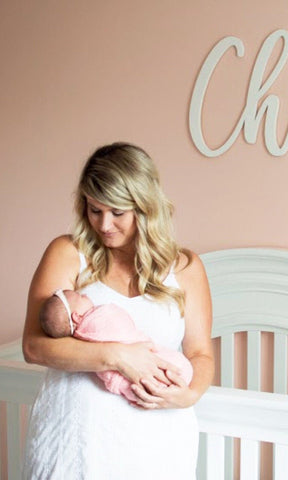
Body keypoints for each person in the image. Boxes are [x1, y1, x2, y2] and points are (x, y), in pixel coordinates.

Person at [22, 142, 214, 479]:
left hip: (157, 443)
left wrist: (188, 396)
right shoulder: (68, 253)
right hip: (76, 444)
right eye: (95, 210)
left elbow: (200, 353)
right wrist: (117, 357)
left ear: (145, 207)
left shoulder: (185, 268)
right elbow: (34, 346)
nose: (104, 224)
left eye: (117, 212)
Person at [39, 289, 193, 402]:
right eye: (80, 296)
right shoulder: (95, 322)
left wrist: (189, 398)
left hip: (161, 395)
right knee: (143, 377)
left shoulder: (83, 335)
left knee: (155, 373)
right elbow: (33, 349)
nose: (85, 294)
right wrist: (118, 355)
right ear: (77, 316)